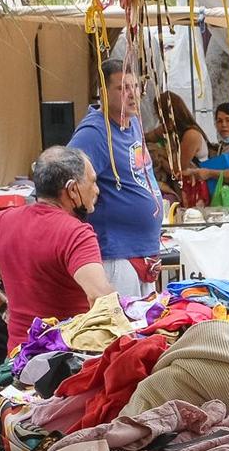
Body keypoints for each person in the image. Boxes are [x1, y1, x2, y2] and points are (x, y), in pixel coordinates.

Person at [0, 146, 115, 355]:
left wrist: (2, 308)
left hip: (20, 359)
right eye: (92, 181)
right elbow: (100, 297)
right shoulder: (76, 234)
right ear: (72, 190)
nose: (97, 189)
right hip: (66, 362)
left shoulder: (1, 221)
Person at [67, 58, 164, 297]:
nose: (132, 94)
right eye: (122, 88)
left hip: (141, 251)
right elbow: (67, 182)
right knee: (123, 329)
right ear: (103, 92)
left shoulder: (132, 123)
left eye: (135, 87)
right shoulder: (94, 133)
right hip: (114, 255)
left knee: (145, 329)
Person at [145, 91, 210, 207]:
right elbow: (146, 137)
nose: (159, 119)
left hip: (194, 190)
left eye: (159, 114)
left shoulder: (191, 135)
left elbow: (177, 170)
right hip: (181, 189)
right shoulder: (168, 130)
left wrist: (159, 156)